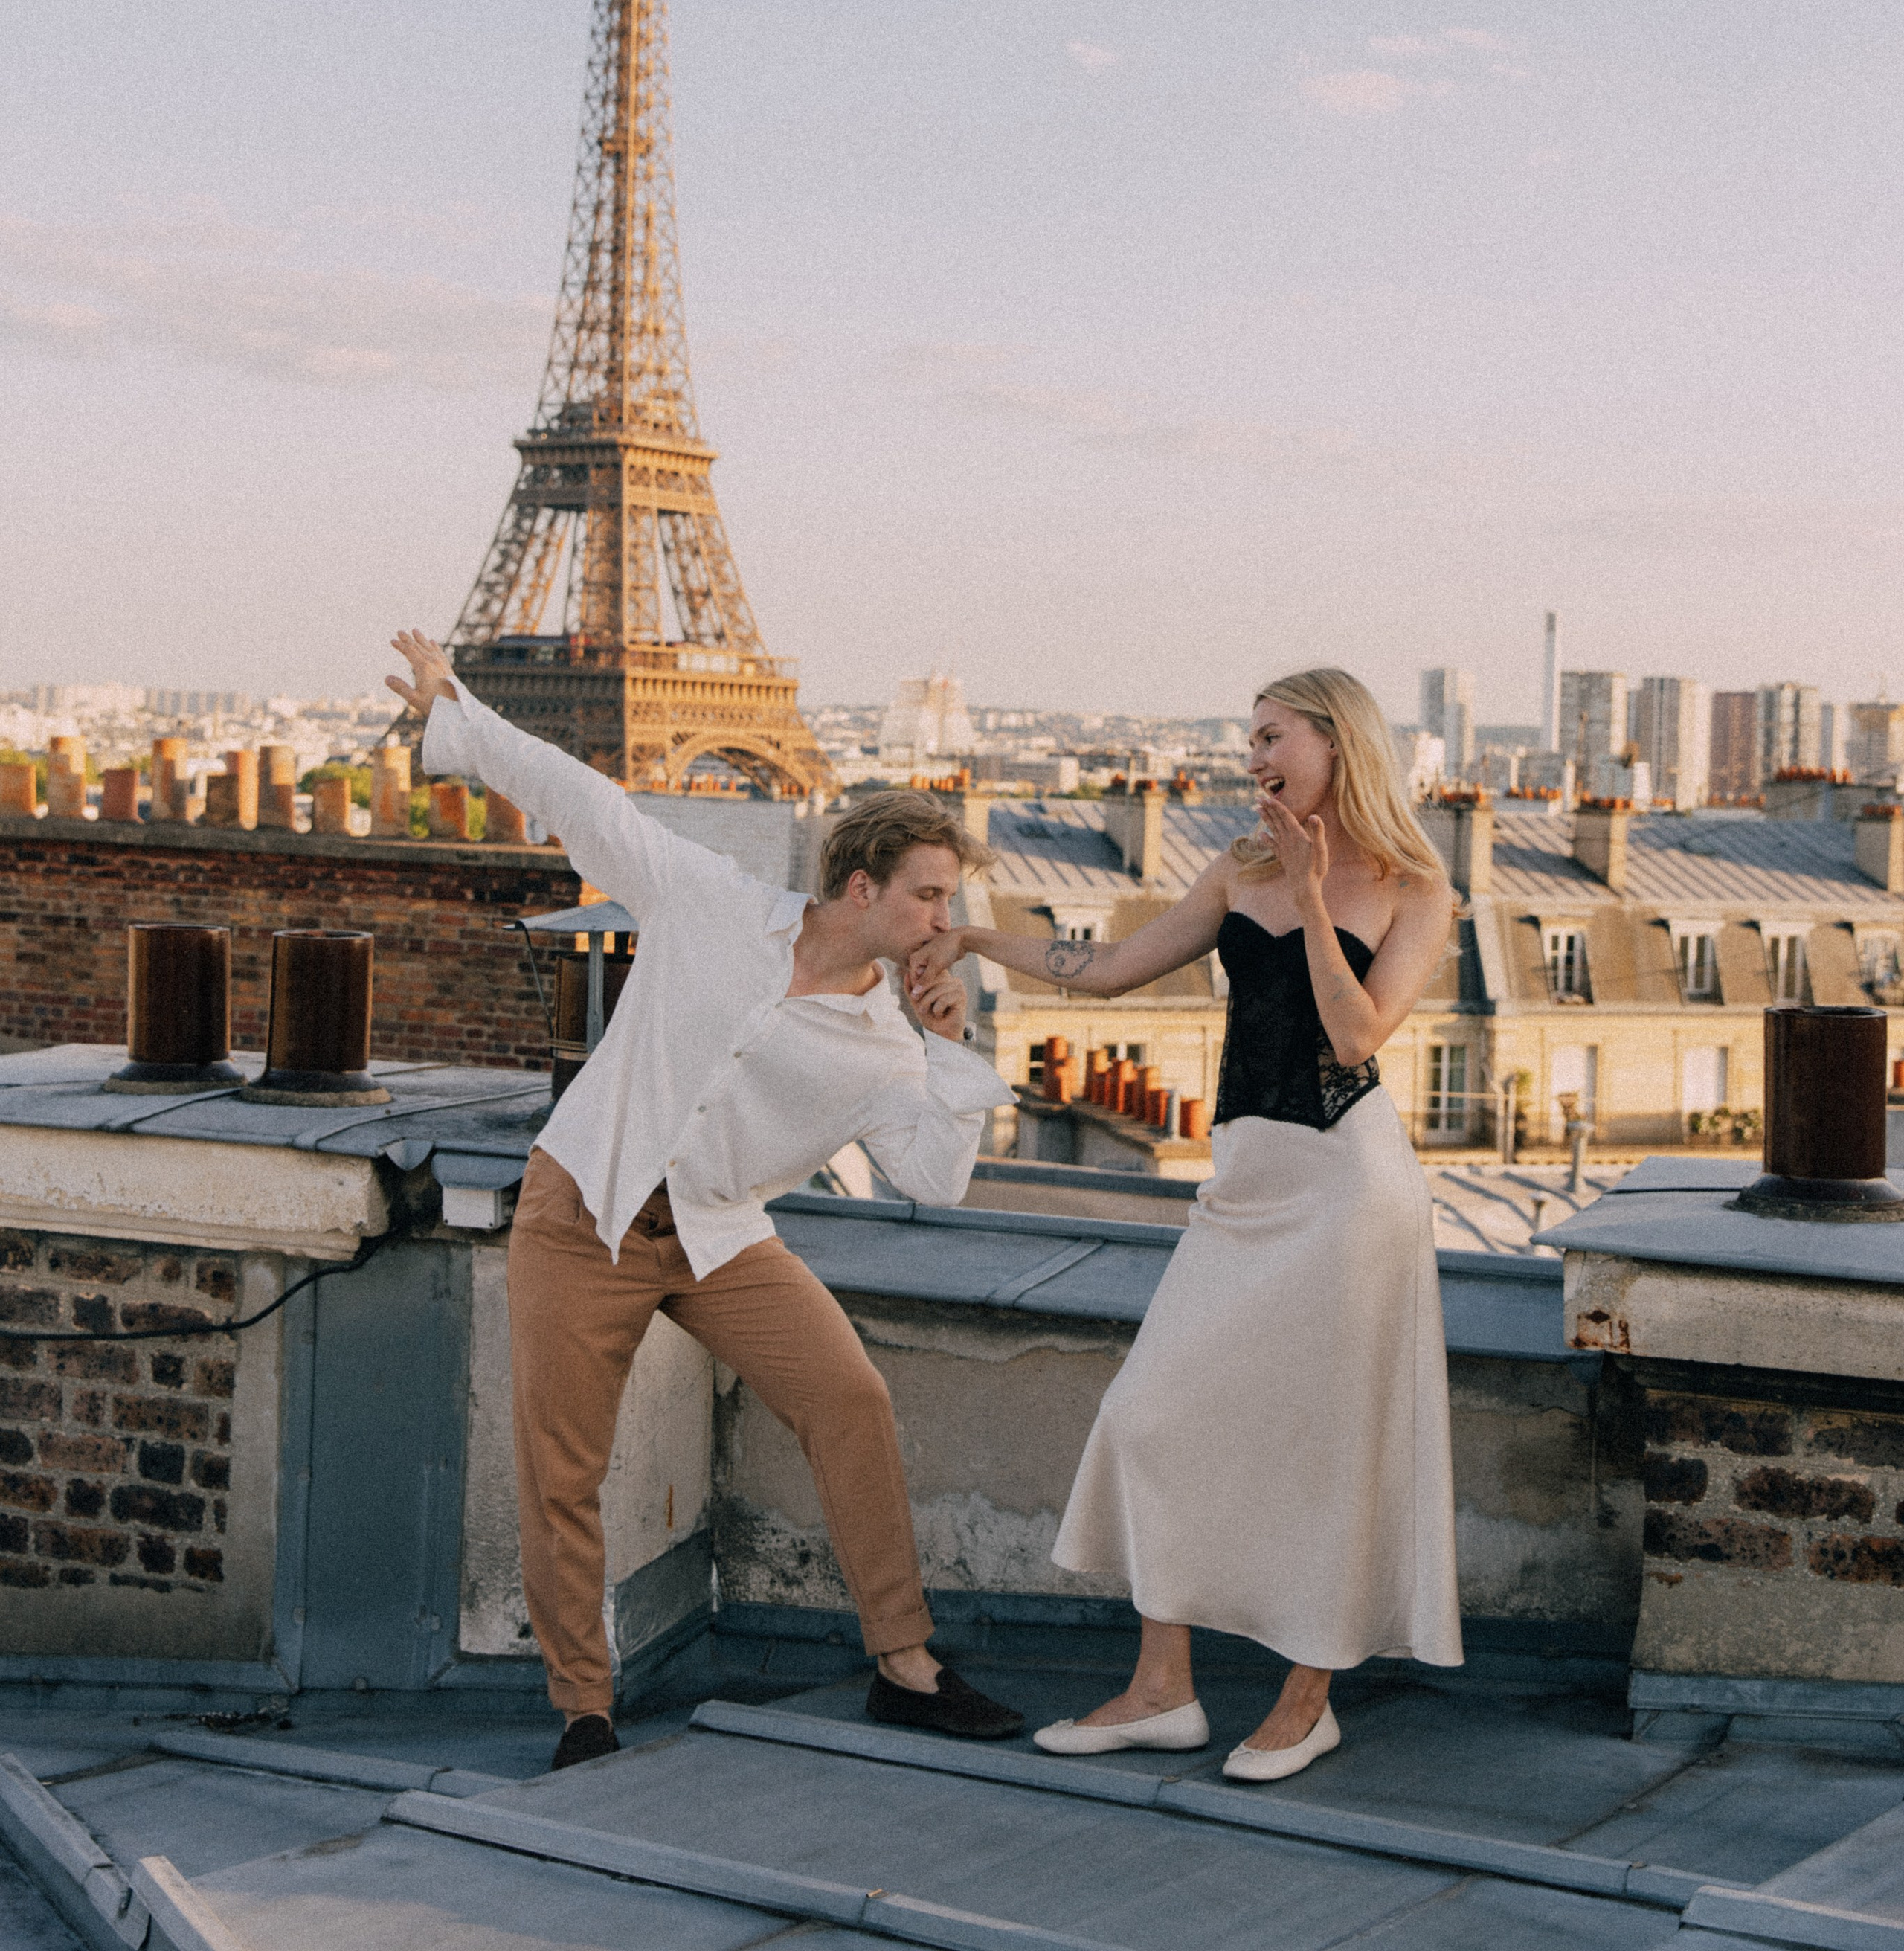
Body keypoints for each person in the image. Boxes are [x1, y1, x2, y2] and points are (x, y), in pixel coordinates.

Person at [385, 630, 1027, 1769]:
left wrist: (950, 1054)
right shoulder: (715, 902)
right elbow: (583, 799)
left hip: (721, 1236)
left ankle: (906, 1664)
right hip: (585, 1210)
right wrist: (456, 709)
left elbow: (936, 1179)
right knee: (564, 1469)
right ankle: (584, 1707)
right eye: (930, 897)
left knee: (850, 1397)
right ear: (862, 886)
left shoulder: (887, 1046)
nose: (947, 920)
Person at [910, 666, 1460, 1781]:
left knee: (1331, 1446)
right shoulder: (1237, 865)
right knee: (1149, 1409)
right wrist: (975, 939)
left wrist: (1312, 898)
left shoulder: (1414, 884)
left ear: (1335, 741)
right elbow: (1109, 968)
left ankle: (1308, 1699)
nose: (1251, 757)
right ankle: (1163, 1688)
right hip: (1245, 1189)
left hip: (1349, 1192)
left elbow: (1355, 1038)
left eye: (1269, 735)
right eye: (1245, 740)